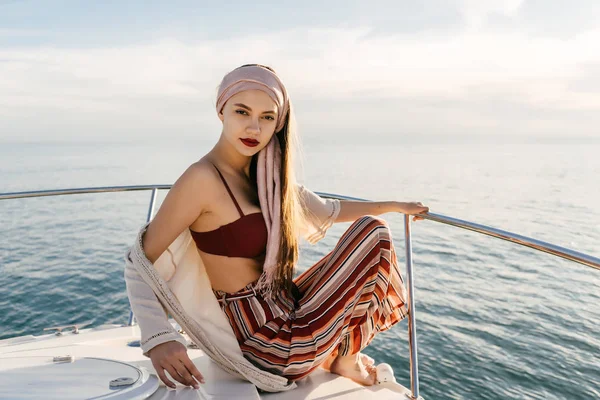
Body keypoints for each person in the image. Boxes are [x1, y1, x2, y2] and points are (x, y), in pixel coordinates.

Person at [129, 64, 429, 390]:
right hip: (267, 343)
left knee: (374, 230)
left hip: (286, 307)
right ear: (221, 111)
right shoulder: (202, 179)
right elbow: (138, 262)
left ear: (278, 122)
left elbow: (329, 210)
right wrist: (158, 336)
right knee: (374, 233)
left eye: (267, 117)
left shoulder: (267, 177)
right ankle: (342, 356)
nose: (253, 127)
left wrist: (395, 205)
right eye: (242, 111)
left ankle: (344, 355)